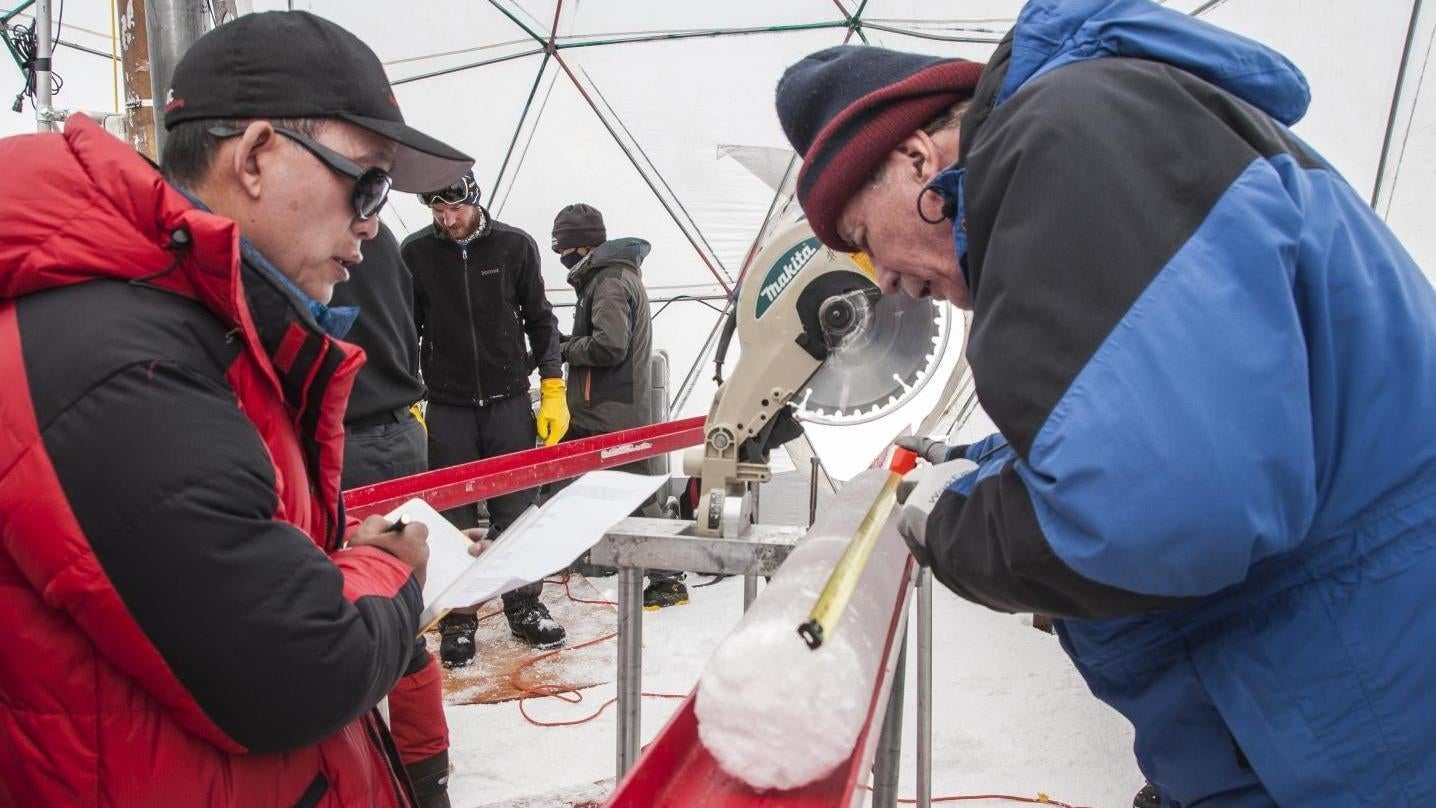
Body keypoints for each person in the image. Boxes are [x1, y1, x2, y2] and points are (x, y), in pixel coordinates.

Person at [775, 1, 1436, 805]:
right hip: (1327, 685)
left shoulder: (1065, 134)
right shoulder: (1093, 130)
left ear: (916, 158)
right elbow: (1183, 408)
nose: (878, 275)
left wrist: (948, 526)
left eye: (858, 232)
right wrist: (981, 467)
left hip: (1359, 716)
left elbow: (1155, 513)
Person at [0, 10, 473, 805]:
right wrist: (392, 568)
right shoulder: (117, 357)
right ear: (255, 157)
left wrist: (325, 565)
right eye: (369, 180)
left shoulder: (194, 324)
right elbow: (298, 666)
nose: (372, 222)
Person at [403, 172, 570, 662]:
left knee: (515, 509)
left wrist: (553, 385)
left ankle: (524, 606)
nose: (447, 220)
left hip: (508, 401)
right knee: (454, 515)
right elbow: (405, 330)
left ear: (472, 199)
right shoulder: (415, 254)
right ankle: (459, 617)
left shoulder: (514, 246)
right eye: (437, 212)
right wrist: (411, 396)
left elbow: (540, 318)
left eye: (453, 209)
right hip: (449, 404)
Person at [332, 221, 452, 807]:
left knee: (350, 617)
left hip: (346, 437)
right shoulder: (381, 241)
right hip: (402, 430)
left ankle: (394, 783)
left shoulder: (310, 233)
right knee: (405, 622)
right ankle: (427, 785)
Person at [549, 204, 686, 609]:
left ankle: (669, 577)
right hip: (605, 409)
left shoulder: (608, 281)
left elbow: (610, 345)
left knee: (634, 495)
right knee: (568, 481)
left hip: (610, 411)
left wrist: (563, 349)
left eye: (563, 249)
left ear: (582, 245)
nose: (561, 257)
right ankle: (572, 559)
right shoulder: (610, 276)